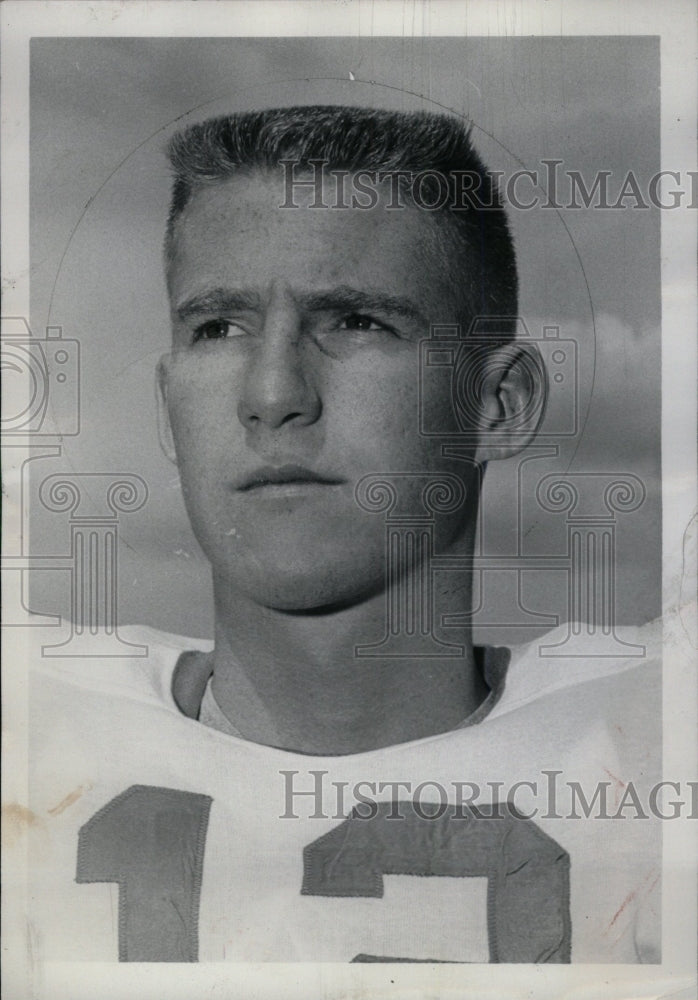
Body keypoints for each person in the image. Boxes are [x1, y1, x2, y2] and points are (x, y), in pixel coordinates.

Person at [27, 105, 660, 964]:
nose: (274, 390)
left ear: (497, 404)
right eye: (219, 327)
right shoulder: (34, 732)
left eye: (356, 321)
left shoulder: (651, 738)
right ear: (168, 406)